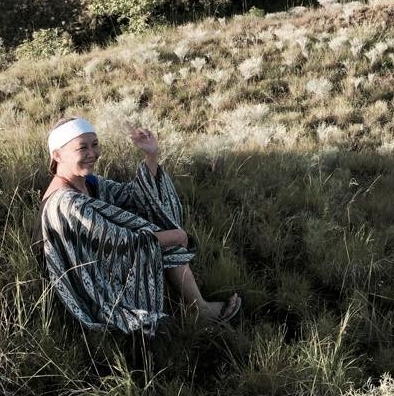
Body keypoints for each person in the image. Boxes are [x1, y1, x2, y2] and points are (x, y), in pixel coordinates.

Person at [34, 116, 241, 335]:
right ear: (57, 155)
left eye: (95, 145)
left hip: (101, 256)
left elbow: (133, 196)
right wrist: (177, 237)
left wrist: (151, 155)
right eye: (82, 147)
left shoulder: (89, 183)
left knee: (153, 225)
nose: (92, 154)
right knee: (161, 239)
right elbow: (117, 242)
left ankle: (198, 308)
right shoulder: (64, 202)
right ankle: (197, 310)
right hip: (86, 279)